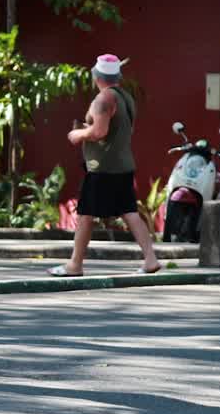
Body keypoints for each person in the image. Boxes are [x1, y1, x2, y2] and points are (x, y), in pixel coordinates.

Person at [49, 53, 161, 277]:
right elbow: (119, 129)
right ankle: (150, 259)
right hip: (122, 164)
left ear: (96, 76)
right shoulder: (125, 97)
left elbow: (100, 131)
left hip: (103, 167)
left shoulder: (103, 99)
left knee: (85, 215)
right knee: (129, 212)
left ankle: (75, 265)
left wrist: (78, 134)